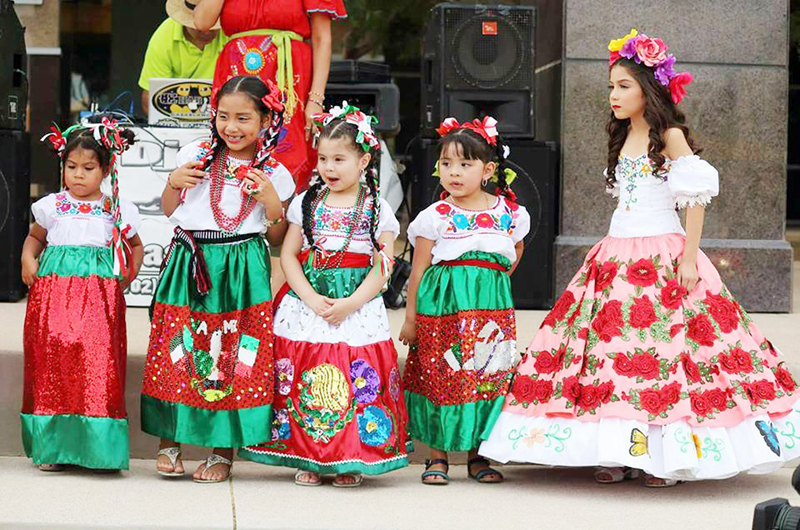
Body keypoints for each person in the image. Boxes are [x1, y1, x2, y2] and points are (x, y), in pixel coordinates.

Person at [479, 29, 800, 486]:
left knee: (664, 353)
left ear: (648, 89)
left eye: (624, 85)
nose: (614, 94)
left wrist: (689, 259)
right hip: (615, 252)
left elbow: (694, 199)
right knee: (610, 352)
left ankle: (666, 457)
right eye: (611, 86)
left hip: (663, 250)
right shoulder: (623, 135)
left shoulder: (668, 135)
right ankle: (617, 450)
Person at [240, 104, 409, 487]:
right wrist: (308, 297)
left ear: (364, 160)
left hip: (357, 301)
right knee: (305, 371)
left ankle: (349, 457)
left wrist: (352, 303)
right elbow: (288, 254)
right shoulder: (306, 202)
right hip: (309, 299)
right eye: (322, 159)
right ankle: (308, 453)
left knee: (353, 375)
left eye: (339, 159)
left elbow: (383, 264)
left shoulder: (377, 209)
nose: (328, 168)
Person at [140, 76, 295, 483]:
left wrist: (273, 205)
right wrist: (173, 182)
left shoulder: (275, 172)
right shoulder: (197, 154)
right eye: (223, 116)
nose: (232, 127)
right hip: (192, 259)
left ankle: (221, 450)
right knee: (178, 346)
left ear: (266, 119)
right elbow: (171, 208)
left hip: (243, 267)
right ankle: (168, 442)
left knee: (234, 355)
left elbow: (278, 237)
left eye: (244, 117)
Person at [399, 116, 530, 485]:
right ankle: (437, 457)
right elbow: (418, 271)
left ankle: (478, 456)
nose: (453, 173)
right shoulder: (435, 217)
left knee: (487, 376)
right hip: (442, 310)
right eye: (446, 163)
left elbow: (514, 251)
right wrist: (411, 318)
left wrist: (490, 281)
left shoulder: (509, 213)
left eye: (465, 164)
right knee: (442, 375)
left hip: (490, 314)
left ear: (488, 169)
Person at [22, 121, 143, 472]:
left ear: (105, 170)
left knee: (96, 366)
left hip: (98, 300)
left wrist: (126, 275)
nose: (78, 175)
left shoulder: (115, 210)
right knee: (54, 364)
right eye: (71, 167)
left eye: (88, 168)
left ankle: (99, 451)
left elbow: (135, 247)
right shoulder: (52, 206)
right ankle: (54, 447)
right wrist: (28, 259)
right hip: (53, 298)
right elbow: (35, 239)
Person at [193, 0, 346, 191]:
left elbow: (322, 39)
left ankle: (281, 214)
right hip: (236, 71)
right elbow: (202, 22)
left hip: (288, 76)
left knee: (286, 148)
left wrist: (316, 98)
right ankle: (231, 212)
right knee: (232, 142)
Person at [138, 0, 229, 114]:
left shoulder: (231, 33)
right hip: (174, 123)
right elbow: (150, 100)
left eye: (213, 25)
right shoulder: (163, 37)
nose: (206, 30)